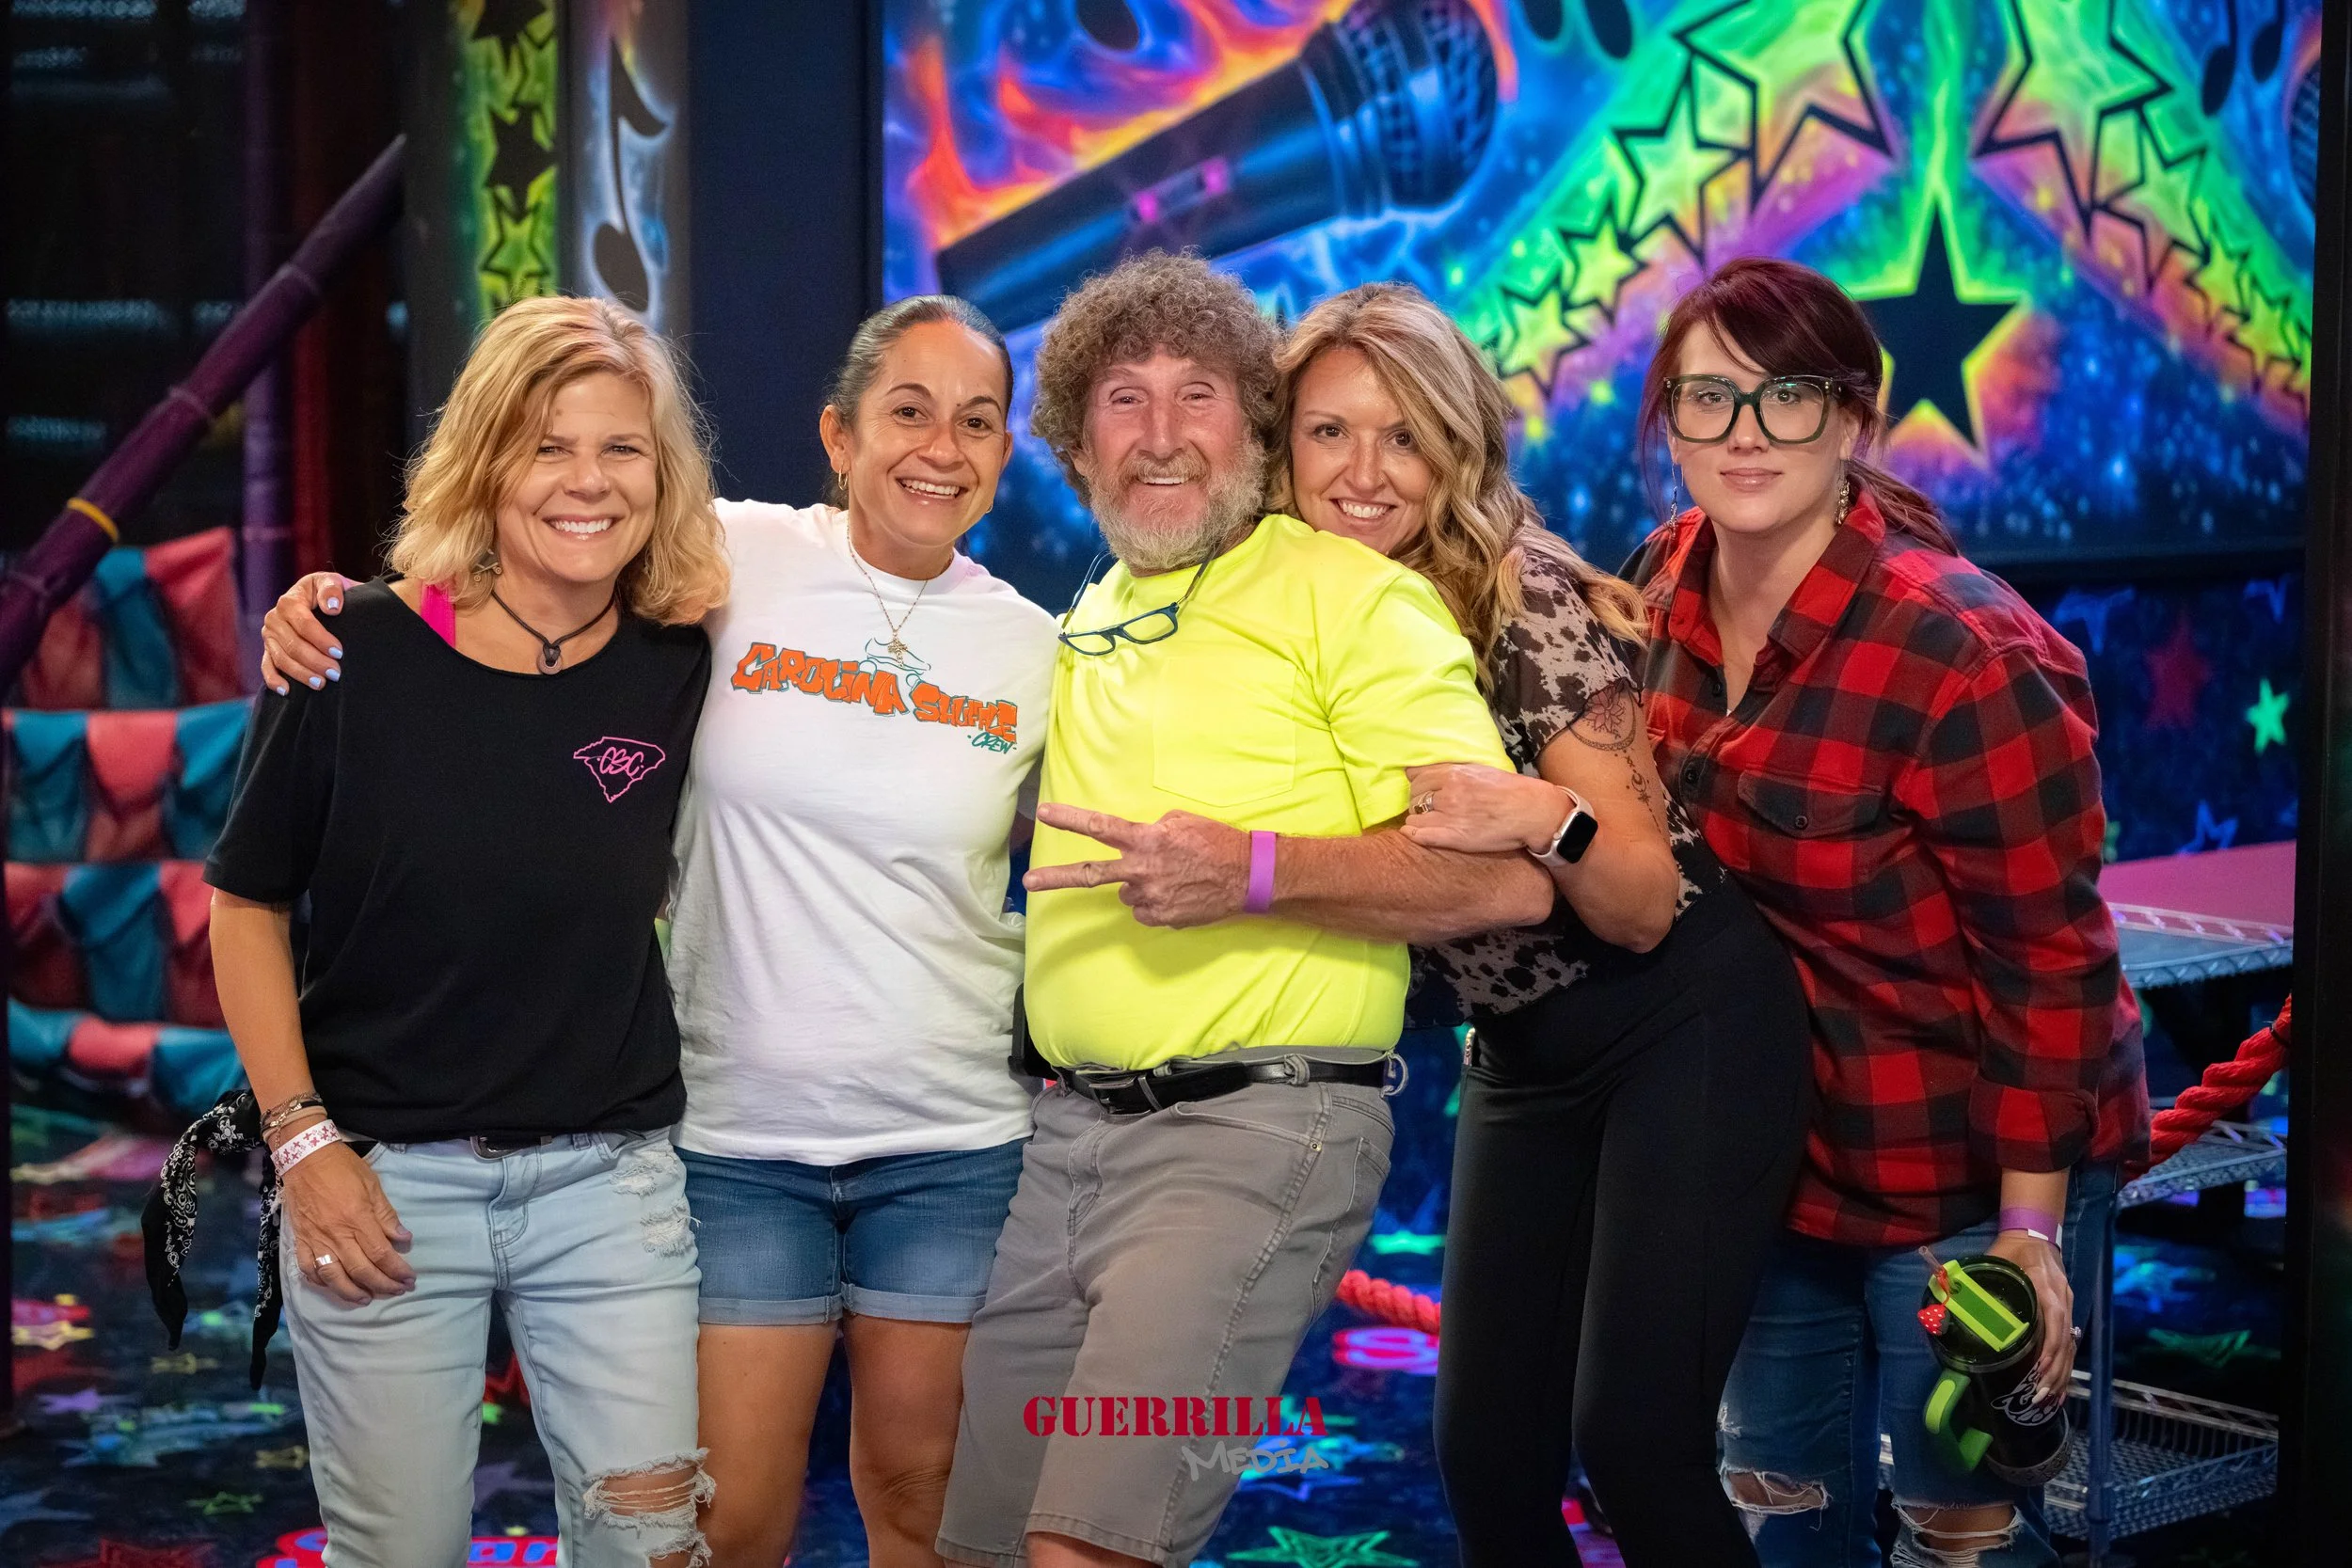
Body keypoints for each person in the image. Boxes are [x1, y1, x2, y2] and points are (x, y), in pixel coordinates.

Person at [259, 296, 1057, 1568]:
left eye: (976, 422)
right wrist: (338, 619)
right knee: (722, 1525)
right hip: (734, 1134)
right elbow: (498, 606)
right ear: (838, 434)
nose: (940, 447)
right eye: (907, 410)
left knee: (926, 1497)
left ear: (1007, 452)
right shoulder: (727, 565)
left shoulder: (1036, 647)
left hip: (946, 1132)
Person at [933, 251, 1554, 1568]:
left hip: (1252, 1139)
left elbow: (1506, 876)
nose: (1161, 435)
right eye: (1123, 400)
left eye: (1199, 394)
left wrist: (1254, 869)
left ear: (1254, 429)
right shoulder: (1089, 612)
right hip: (1062, 1152)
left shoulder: (1357, 597)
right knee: (978, 1548)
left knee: (1087, 1550)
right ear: (1073, 441)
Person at [1268, 282, 1812, 1565]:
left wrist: (1537, 816)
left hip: (1682, 1018)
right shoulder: (1293, 606)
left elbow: (1635, 901)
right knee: (1486, 1455)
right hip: (1522, 1052)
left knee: (1634, 1439)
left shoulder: (1519, 596)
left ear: (1455, 449)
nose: (1364, 471)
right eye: (1330, 432)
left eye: (1404, 436)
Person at [1619, 256, 2150, 1568]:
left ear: (1852, 417)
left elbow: (2050, 967)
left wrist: (2030, 1232)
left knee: (1957, 1529)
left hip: (1966, 1164)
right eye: (1708, 399)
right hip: (1776, 1157)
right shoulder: (1658, 581)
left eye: (1785, 397)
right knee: (1777, 1508)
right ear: (1666, 422)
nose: (1746, 435)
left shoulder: (1965, 650)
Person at [208, 293, 730, 1568]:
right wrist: (303, 1142)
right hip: (382, 1181)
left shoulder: (683, 652)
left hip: (613, 1184)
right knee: (403, 1553)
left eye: (622, 449)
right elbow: (245, 903)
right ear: (484, 458)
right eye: (548, 445)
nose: (588, 482)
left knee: (653, 1544)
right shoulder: (347, 648)